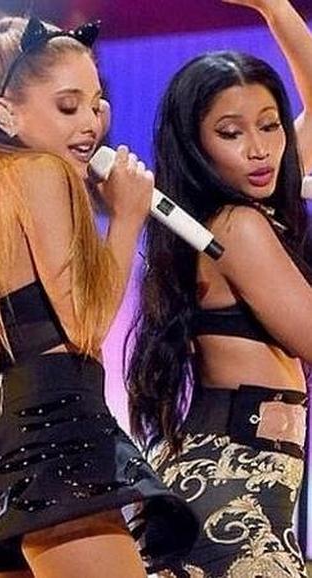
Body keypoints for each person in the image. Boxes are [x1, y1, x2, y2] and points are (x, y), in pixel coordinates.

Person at [0, 15, 199, 578]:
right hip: (60, 449)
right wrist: (127, 217)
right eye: (68, 106)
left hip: (7, 462)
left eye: (96, 104)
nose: (91, 123)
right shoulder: (44, 174)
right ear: (6, 113)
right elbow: (84, 326)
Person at [126, 1, 312, 576]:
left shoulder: (237, 212)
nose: (259, 148)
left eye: (270, 125)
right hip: (231, 491)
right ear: (196, 147)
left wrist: (274, 8)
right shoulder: (236, 226)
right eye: (231, 133)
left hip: (235, 484)